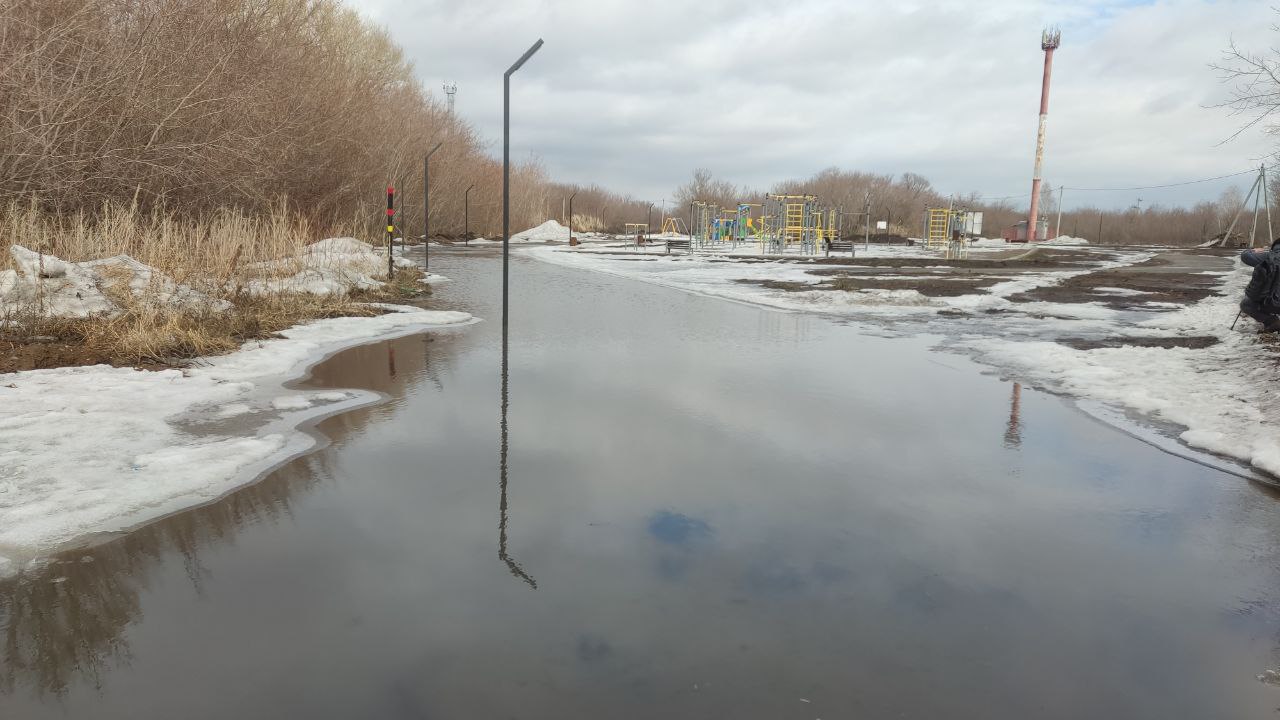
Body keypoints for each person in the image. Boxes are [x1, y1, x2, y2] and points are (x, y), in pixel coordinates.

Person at [1240, 238, 1280, 332]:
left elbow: (1245, 256)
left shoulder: (1268, 256)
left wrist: (1253, 250)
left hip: (1272, 303)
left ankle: (1272, 321)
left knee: (1246, 304)